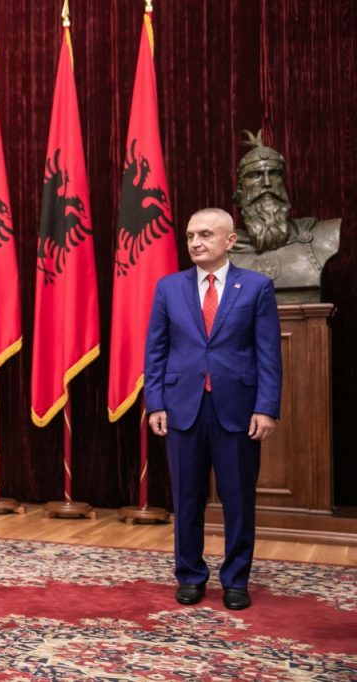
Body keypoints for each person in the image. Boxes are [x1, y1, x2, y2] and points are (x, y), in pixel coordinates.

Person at [144, 208, 282, 611]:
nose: (195, 242)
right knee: (187, 499)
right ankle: (190, 575)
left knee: (238, 499)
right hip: (182, 407)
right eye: (190, 236)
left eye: (205, 234)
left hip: (238, 409)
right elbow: (156, 351)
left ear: (230, 240)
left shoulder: (256, 287)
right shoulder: (169, 287)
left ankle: (236, 580)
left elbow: (268, 354)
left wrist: (266, 407)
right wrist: (156, 403)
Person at [229, 130, 340, 304]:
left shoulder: (325, 237)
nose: (267, 183)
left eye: (274, 174)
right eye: (255, 175)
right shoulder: (224, 251)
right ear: (241, 190)